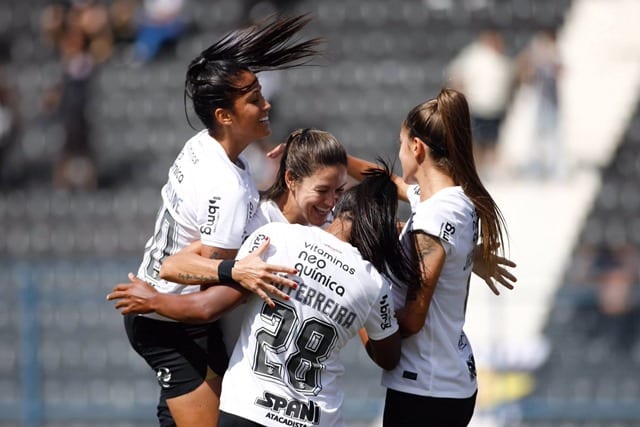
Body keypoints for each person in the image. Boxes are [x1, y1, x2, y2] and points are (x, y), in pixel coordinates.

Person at [123, 15, 323, 427]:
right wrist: (242, 274)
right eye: (253, 99)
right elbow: (209, 297)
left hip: (171, 311)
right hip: (170, 321)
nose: (266, 104)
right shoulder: (223, 185)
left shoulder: (211, 148)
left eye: (261, 93)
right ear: (225, 115)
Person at [108, 164, 422, 427]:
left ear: (341, 209)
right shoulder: (371, 283)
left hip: (245, 409)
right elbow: (388, 357)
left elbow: (208, 307)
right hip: (315, 418)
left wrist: (153, 301)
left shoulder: (276, 238)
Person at [347, 88, 512, 426]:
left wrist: (362, 310)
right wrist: (334, 159)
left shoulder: (435, 217)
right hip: (447, 380)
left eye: (401, 143)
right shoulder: (452, 200)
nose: (400, 152)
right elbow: (389, 182)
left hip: (426, 389)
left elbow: (412, 320)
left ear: (417, 148)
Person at [446, 30, 514, 175]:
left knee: (493, 141)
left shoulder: (501, 59)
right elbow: (456, 75)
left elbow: (508, 80)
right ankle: (476, 171)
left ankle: (491, 171)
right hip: (477, 106)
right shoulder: (473, 56)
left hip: (496, 106)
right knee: (477, 142)